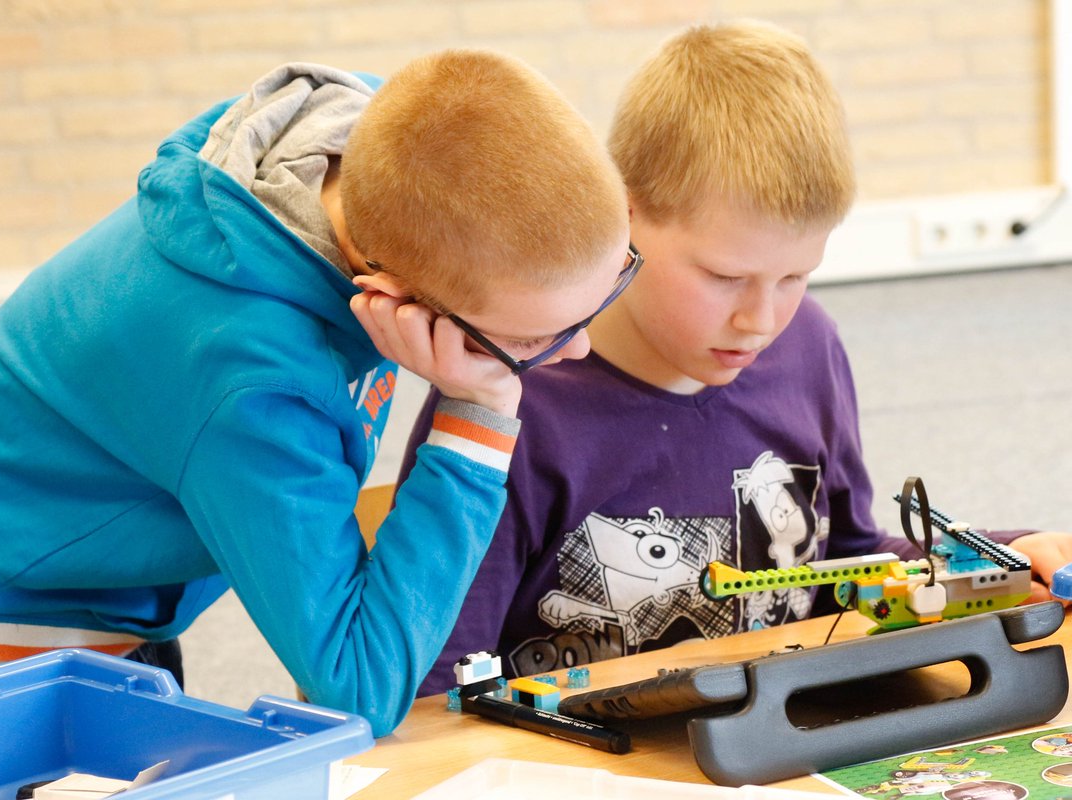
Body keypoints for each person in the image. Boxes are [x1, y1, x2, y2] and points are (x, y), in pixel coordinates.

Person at [0, 49, 634, 736]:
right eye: (530, 342)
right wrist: (480, 413)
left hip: (112, 575)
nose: (582, 348)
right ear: (392, 297)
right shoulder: (255, 383)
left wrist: (503, 345)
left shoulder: (374, 143)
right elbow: (359, 689)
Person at [401, 21, 1072, 696]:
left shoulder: (808, 342)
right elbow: (439, 687)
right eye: (724, 277)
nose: (762, 320)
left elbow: (845, 569)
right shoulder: (508, 399)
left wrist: (997, 560)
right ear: (623, 214)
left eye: (795, 277)